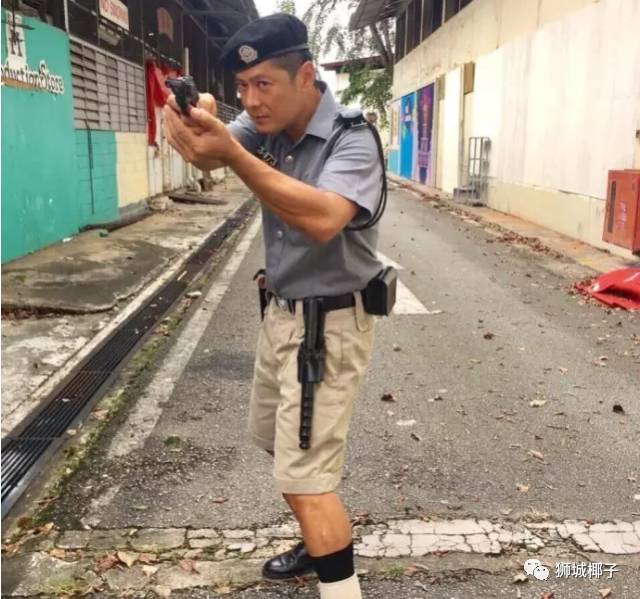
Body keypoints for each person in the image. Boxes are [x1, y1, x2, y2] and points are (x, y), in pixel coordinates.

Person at [163, 13, 384, 599]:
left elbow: (324, 218)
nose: (251, 101)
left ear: (305, 75)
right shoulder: (268, 128)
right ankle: (318, 545)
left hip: (328, 328)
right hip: (282, 317)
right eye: (242, 87)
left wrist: (234, 156)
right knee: (277, 445)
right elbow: (208, 153)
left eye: (264, 84)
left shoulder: (352, 138)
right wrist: (193, 118)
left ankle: (341, 585)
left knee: (305, 476)